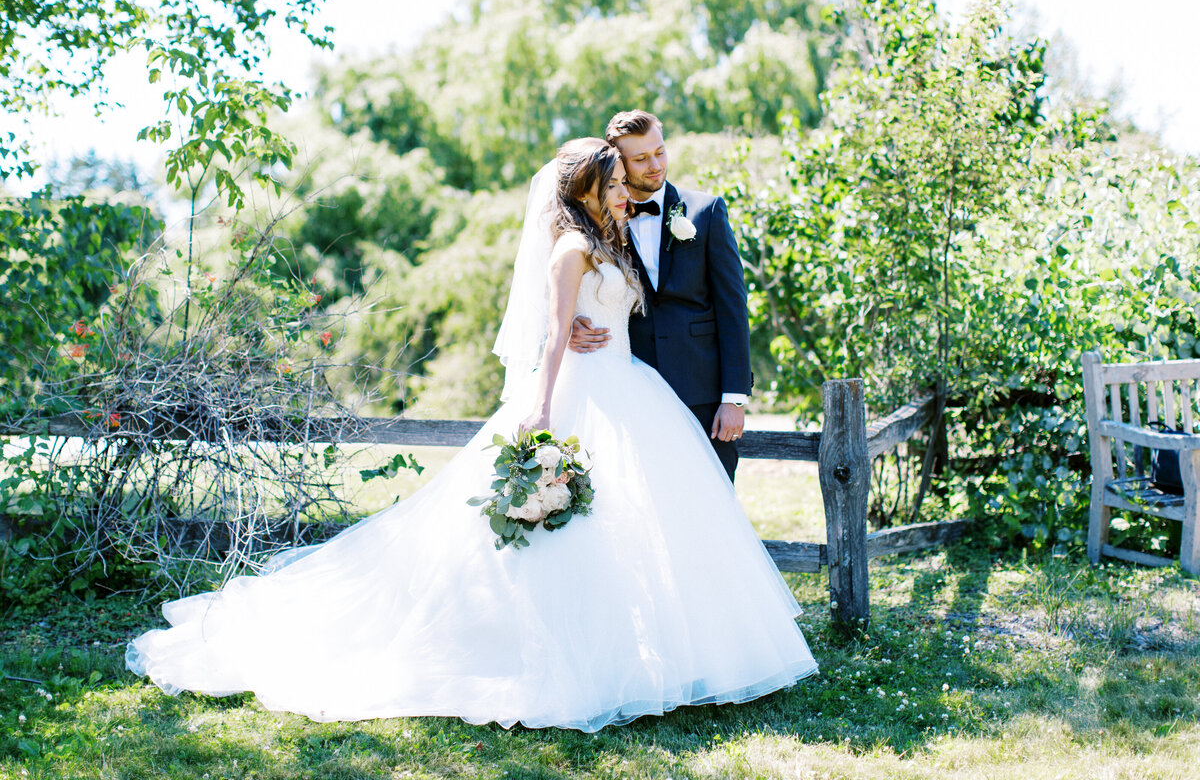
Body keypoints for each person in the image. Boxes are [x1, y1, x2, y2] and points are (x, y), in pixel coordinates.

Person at [126, 138, 817, 732]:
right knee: (568, 534)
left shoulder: (611, 238)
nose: (624, 191)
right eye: (611, 184)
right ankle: (547, 656)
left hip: (632, 391)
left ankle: (661, 654)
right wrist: (541, 407)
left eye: (621, 184)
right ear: (585, 190)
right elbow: (552, 335)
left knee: (640, 527)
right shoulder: (573, 246)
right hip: (582, 395)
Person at [571, 110, 750, 482]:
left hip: (704, 396)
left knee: (712, 507)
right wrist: (574, 321)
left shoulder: (707, 211)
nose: (655, 165)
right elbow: (579, 285)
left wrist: (733, 398)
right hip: (635, 394)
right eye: (640, 159)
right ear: (617, 162)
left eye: (660, 152)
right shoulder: (599, 227)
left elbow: (733, 308)